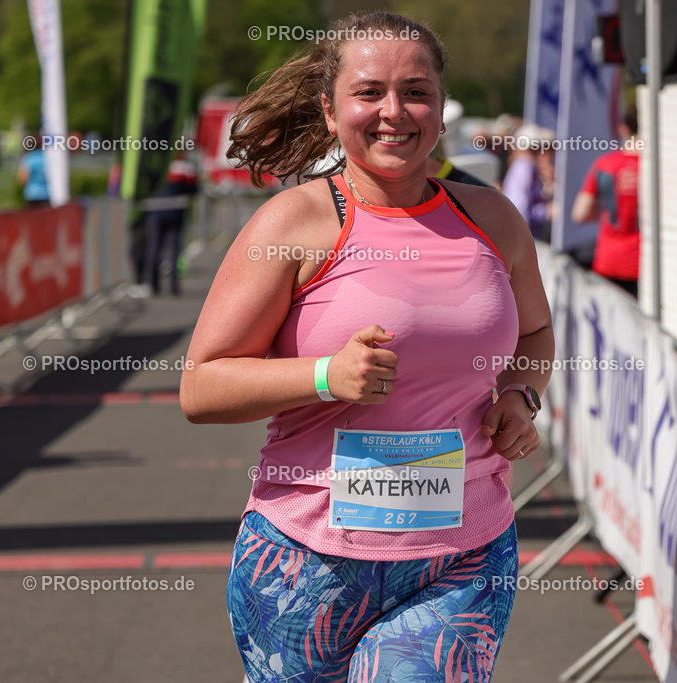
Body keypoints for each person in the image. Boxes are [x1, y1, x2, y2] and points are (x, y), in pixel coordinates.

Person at [179, 12, 553, 682]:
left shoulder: (491, 218)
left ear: (440, 108)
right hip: (305, 560)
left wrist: (521, 395)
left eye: (415, 92)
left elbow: (534, 332)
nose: (394, 112)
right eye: (369, 92)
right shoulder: (293, 223)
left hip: (460, 557)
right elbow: (201, 385)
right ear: (329, 110)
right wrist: (327, 374)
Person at [571, 104, 641, 297]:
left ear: (623, 129)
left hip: (609, 261)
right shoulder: (658, 165)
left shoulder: (605, 164)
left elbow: (580, 214)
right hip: (647, 264)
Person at [142, 155, 198, 295]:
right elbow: (195, 189)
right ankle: (173, 287)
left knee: (154, 249)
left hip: (155, 213)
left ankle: (154, 285)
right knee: (173, 251)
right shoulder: (187, 169)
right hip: (175, 214)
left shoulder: (154, 166)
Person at [17, 143, 50, 207]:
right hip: (48, 194)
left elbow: (22, 180)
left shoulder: (28, 158)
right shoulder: (47, 157)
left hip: (32, 195)